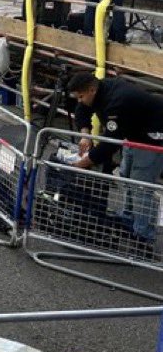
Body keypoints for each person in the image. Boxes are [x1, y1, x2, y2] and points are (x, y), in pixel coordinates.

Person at [68, 70, 163, 242]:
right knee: (126, 176)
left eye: (81, 96)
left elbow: (110, 143)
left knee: (141, 185)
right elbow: (81, 109)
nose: (79, 100)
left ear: (91, 90)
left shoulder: (117, 101)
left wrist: (85, 162)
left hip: (153, 138)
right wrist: (85, 134)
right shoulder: (97, 89)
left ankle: (143, 234)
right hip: (132, 134)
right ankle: (128, 217)